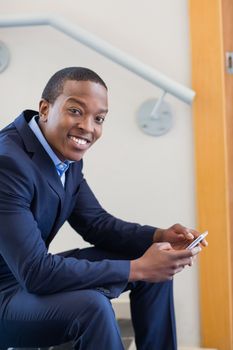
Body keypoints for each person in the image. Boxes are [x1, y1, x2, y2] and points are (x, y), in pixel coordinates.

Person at [0, 67, 207, 350]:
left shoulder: (59, 151)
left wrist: (160, 237)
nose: (88, 127)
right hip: (7, 295)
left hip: (25, 280)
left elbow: (95, 223)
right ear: (45, 109)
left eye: (99, 118)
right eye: (75, 111)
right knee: (93, 306)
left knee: (155, 261)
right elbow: (36, 273)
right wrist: (137, 269)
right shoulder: (7, 164)